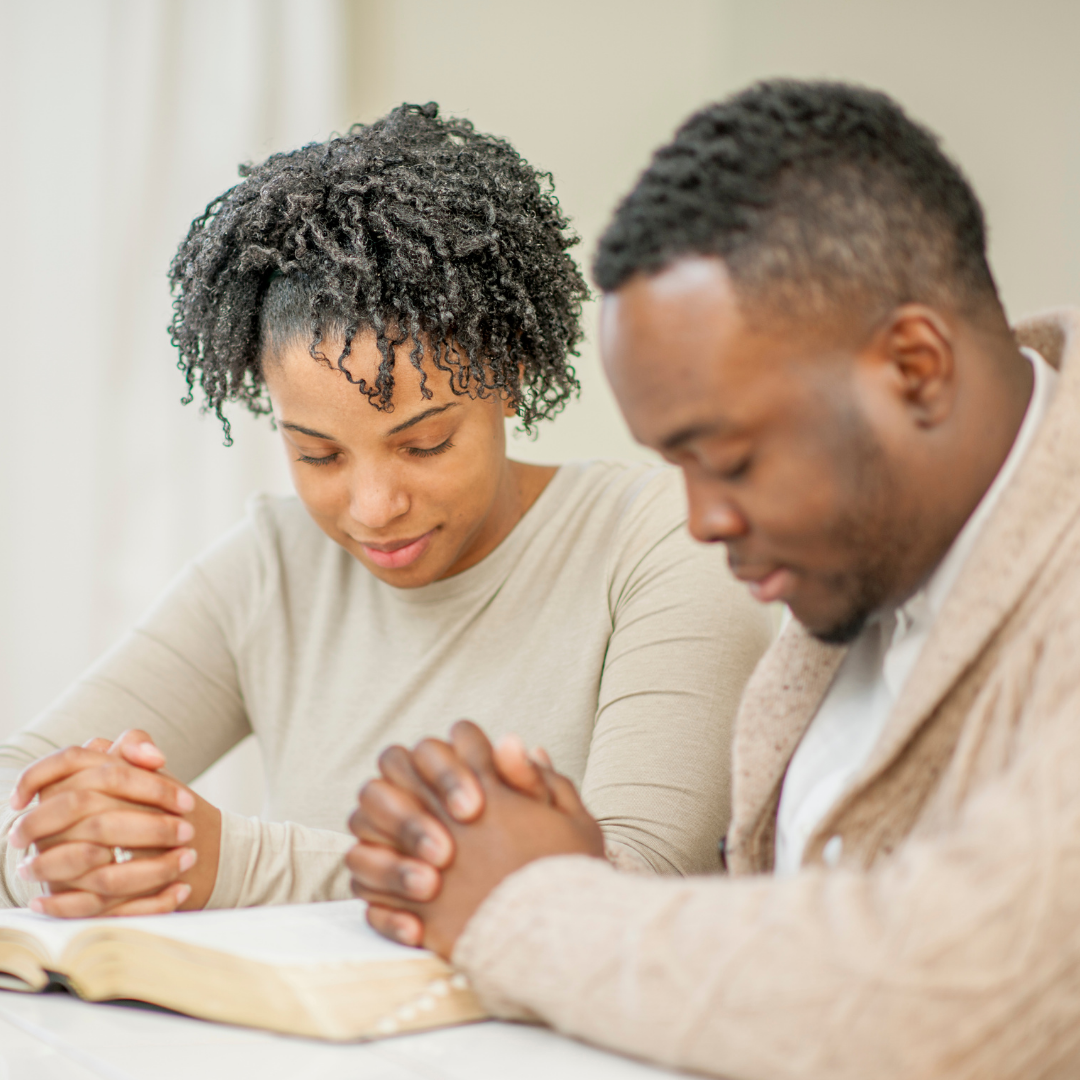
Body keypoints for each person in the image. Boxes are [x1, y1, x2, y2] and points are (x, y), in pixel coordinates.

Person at [345, 81, 1080, 1078]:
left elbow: (947, 997)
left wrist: (529, 902)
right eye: (676, 465)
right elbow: (794, 950)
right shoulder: (862, 569)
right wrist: (544, 862)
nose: (701, 520)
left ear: (914, 368)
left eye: (730, 459)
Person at [0, 104, 771, 918]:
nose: (373, 509)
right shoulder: (275, 566)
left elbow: (635, 888)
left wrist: (234, 864)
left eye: (425, 443)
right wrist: (70, 850)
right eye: (318, 455)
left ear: (506, 373)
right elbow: (20, 783)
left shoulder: (659, 545)